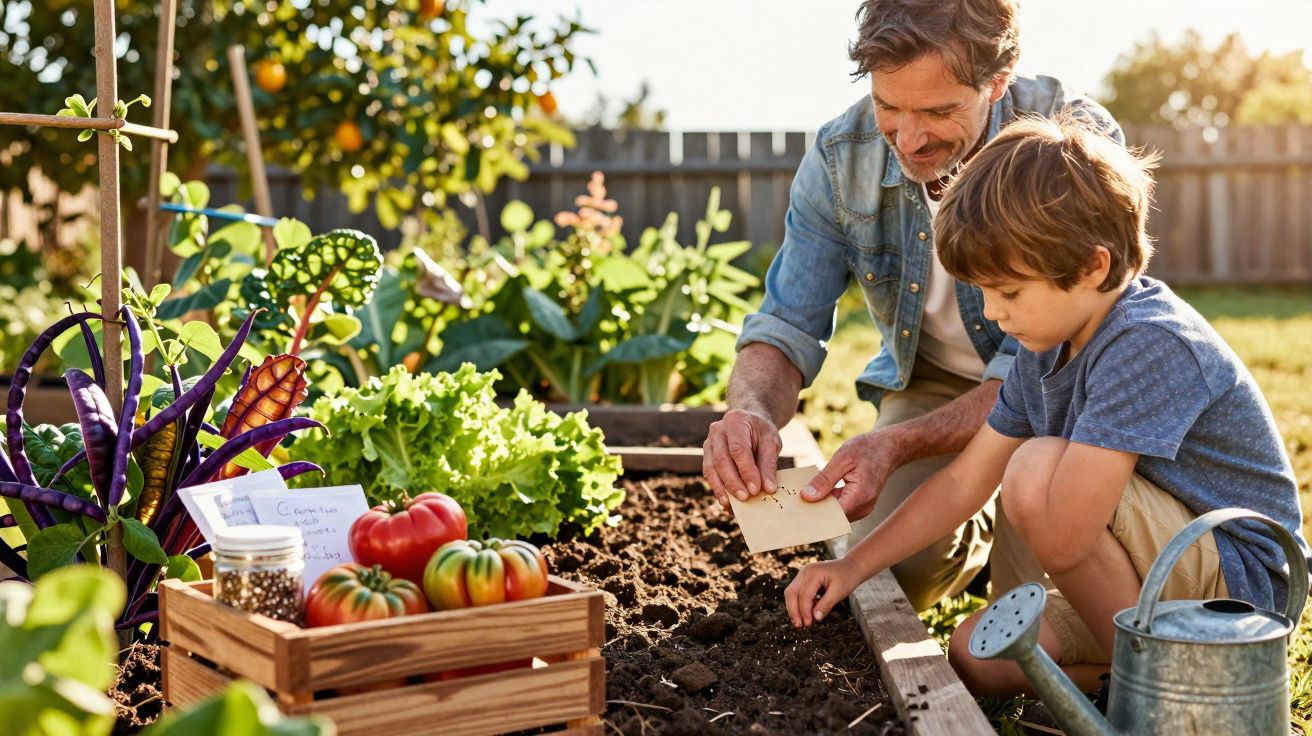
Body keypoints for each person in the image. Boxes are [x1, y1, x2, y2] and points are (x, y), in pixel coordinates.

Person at [784, 115, 1312, 696]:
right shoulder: (1046, 345)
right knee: (979, 653)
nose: (991, 313)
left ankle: (1162, 686)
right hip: (1157, 573)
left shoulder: (1148, 342)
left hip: (1236, 585)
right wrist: (851, 567)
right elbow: (965, 482)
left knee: (1035, 469)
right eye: (983, 292)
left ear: (1093, 266)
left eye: (1008, 292)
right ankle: (1161, 675)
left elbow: (1065, 527)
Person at [701, 0, 1122, 610]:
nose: (910, 136)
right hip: (932, 382)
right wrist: (751, 412)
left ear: (996, 82)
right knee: (879, 581)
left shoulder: (1069, 147)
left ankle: (1001, 508)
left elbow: (1037, 373)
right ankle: (967, 531)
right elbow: (787, 321)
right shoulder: (840, 157)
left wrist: (898, 444)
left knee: (1036, 610)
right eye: (888, 107)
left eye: (938, 111)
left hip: (1065, 392)